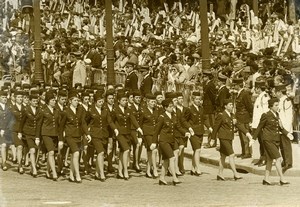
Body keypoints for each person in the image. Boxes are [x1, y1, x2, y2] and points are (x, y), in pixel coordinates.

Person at [251, 98, 293, 185]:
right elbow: (259, 128)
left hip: (276, 140)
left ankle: (266, 179)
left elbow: (280, 127)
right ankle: (282, 179)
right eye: (276, 105)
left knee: (270, 159)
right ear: (271, 106)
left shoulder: (277, 114)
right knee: (278, 158)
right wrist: (253, 139)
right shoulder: (265, 115)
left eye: (278, 105)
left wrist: (287, 134)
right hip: (268, 140)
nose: (277, 107)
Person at [212, 99, 251, 181]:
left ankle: (220, 174)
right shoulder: (221, 115)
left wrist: (247, 133)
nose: (231, 106)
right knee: (232, 155)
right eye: (230, 105)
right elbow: (215, 128)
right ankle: (235, 174)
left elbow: (239, 125)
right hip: (223, 138)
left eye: (232, 105)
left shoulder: (232, 115)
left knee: (223, 156)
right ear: (225, 106)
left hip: (229, 138)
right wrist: (213, 138)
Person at [152, 98, 188, 185]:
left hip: (172, 140)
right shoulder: (162, 117)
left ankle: (162, 178)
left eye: (172, 106)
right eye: (170, 106)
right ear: (165, 108)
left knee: (166, 160)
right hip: (164, 141)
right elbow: (156, 131)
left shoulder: (174, 116)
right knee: (172, 158)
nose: (172, 108)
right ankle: (174, 178)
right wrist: (154, 142)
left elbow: (178, 126)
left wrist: (185, 132)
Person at [85, 91, 118, 181]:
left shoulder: (105, 111)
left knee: (102, 153)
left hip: (104, 134)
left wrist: (115, 129)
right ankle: (102, 173)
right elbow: (86, 122)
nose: (101, 103)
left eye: (102, 101)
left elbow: (110, 121)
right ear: (95, 102)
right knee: (101, 152)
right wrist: (87, 132)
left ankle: (96, 173)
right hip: (94, 134)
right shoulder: (90, 110)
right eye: (99, 102)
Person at [59, 90, 89, 183]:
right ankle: (77, 175)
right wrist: (60, 140)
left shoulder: (80, 110)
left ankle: (71, 175)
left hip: (78, 135)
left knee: (74, 156)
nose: (77, 102)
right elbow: (61, 127)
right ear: (70, 101)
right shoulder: (65, 111)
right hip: (69, 136)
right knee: (76, 153)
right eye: (75, 100)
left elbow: (83, 123)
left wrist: (87, 133)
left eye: (77, 100)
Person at [113, 91, 143, 180]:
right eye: (123, 100)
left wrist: (138, 128)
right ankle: (125, 170)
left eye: (126, 100)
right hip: (119, 133)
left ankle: (119, 171)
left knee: (123, 152)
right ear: (118, 101)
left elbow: (133, 119)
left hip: (127, 133)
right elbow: (111, 121)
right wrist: (115, 129)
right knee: (127, 150)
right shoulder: (115, 110)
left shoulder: (128, 110)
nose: (125, 102)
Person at [185, 92, 212, 176]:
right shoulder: (189, 109)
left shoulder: (201, 109)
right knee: (197, 150)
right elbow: (184, 121)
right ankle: (198, 168)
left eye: (200, 99)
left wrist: (209, 127)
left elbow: (204, 119)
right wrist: (189, 128)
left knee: (196, 151)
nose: (198, 101)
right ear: (193, 100)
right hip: (193, 132)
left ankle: (193, 169)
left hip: (200, 131)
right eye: (196, 99)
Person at [19, 92, 43, 177]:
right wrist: (20, 132)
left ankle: (33, 168)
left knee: (36, 151)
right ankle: (34, 169)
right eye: (34, 101)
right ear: (30, 101)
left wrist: (37, 137)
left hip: (36, 134)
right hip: (28, 133)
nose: (36, 102)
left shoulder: (40, 111)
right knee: (32, 150)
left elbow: (39, 125)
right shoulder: (26, 110)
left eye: (37, 101)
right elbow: (21, 123)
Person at [38, 91, 60, 181]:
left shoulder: (56, 111)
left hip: (55, 134)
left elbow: (59, 124)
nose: (54, 101)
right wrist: (37, 137)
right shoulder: (43, 110)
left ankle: (47, 171)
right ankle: (54, 172)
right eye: (52, 100)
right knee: (50, 152)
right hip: (46, 134)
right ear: (48, 101)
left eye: (54, 100)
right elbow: (39, 125)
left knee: (52, 154)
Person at [232, 77, 253, 159]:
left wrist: (250, 118)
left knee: (245, 136)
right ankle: (244, 151)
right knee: (241, 136)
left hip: (245, 117)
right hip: (240, 117)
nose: (234, 87)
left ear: (238, 85)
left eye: (235, 85)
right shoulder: (239, 93)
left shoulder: (244, 94)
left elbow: (249, 106)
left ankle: (247, 153)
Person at [275, 84, 294, 173]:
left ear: (279, 92)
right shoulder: (280, 101)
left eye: (276, 92)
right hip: (281, 128)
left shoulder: (286, 101)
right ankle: (285, 161)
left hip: (285, 128)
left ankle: (288, 163)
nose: (275, 93)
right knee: (282, 146)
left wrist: (286, 131)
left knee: (286, 146)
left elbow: (289, 117)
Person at [140, 93, 159, 178]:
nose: (153, 103)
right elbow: (140, 124)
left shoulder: (156, 110)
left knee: (150, 152)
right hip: (147, 133)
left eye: (154, 102)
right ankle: (154, 169)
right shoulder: (143, 110)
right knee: (153, 150)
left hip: (155, 133)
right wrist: (140, 136)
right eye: (151, 102)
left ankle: (148, 170)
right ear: (147, 102)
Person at [251, 80, 270, 167]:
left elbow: (265, 112)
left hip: (262, 125)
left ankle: (266, 159)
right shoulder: (259, 97)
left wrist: (263, 125)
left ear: (258, 88)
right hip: (257, 124)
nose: (255, 89)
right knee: (260, 142)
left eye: (255, 88)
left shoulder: (264, 97)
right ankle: (262, 157)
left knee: (264, 142)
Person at [10, 90, 25, 174]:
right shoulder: (11, 108)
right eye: (18, 97)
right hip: (14, 131)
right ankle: (20, 166)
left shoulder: (25, 108)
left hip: (24, 131)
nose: (20, 99)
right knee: (19, 147)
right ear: (15, 98)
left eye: (21, 97)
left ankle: (22, 161)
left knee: (24, 148)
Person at [202, 70, 217, 148]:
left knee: (211, 125)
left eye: (204, 77)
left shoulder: (210, 85)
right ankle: (210, 141)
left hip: (210, 108)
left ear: (207, 77)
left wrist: (214, 106)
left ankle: (212, 142)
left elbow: (213, 97)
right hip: (207, 107)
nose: (203, 78)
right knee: (209, 125)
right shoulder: (207, 84)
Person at [0, 91, 13, 171]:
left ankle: (4, 159)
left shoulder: (9, 107)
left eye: (5, 97)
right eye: (2, 97)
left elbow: (11, 119)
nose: (4, 99)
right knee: (4, 145)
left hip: (7, 130)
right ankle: (4, 162)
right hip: (0, 130)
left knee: (7, 145)